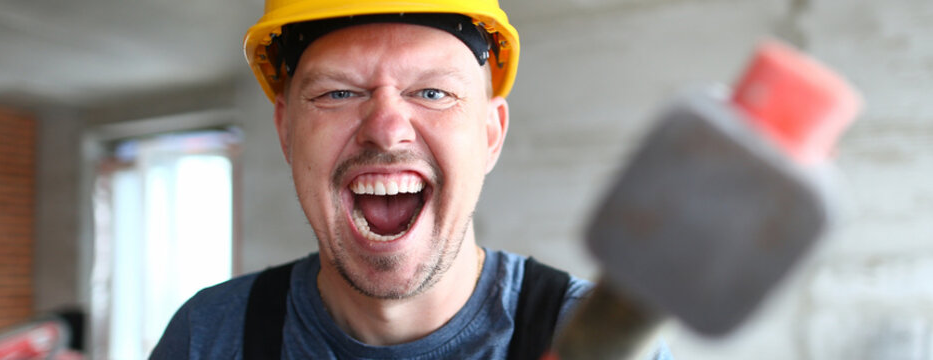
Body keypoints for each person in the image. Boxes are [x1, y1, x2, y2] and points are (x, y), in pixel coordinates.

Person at [151, 0, 673, 359]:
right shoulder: (211, 338)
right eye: (337, 93)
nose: (386, 131)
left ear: (491, 135)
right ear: (286, 132)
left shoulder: (595, 340)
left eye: (432, 93)